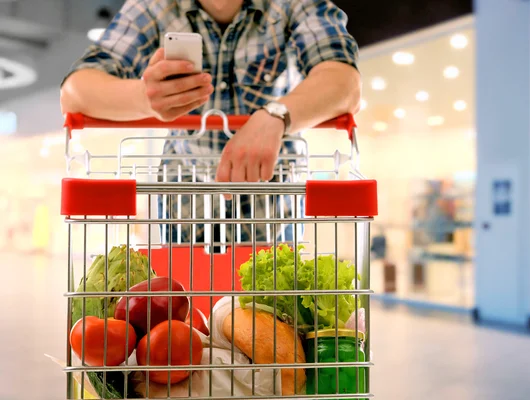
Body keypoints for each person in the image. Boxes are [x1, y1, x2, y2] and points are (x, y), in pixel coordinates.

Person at [60, 0, 361, 244]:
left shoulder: (294, 5)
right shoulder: (154, 7)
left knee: (273, 313)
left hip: (271, 207)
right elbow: (75, 91)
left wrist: (276, 116)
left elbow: (345, 84)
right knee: (185, 312)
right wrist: (144, 97)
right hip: (184, 210)